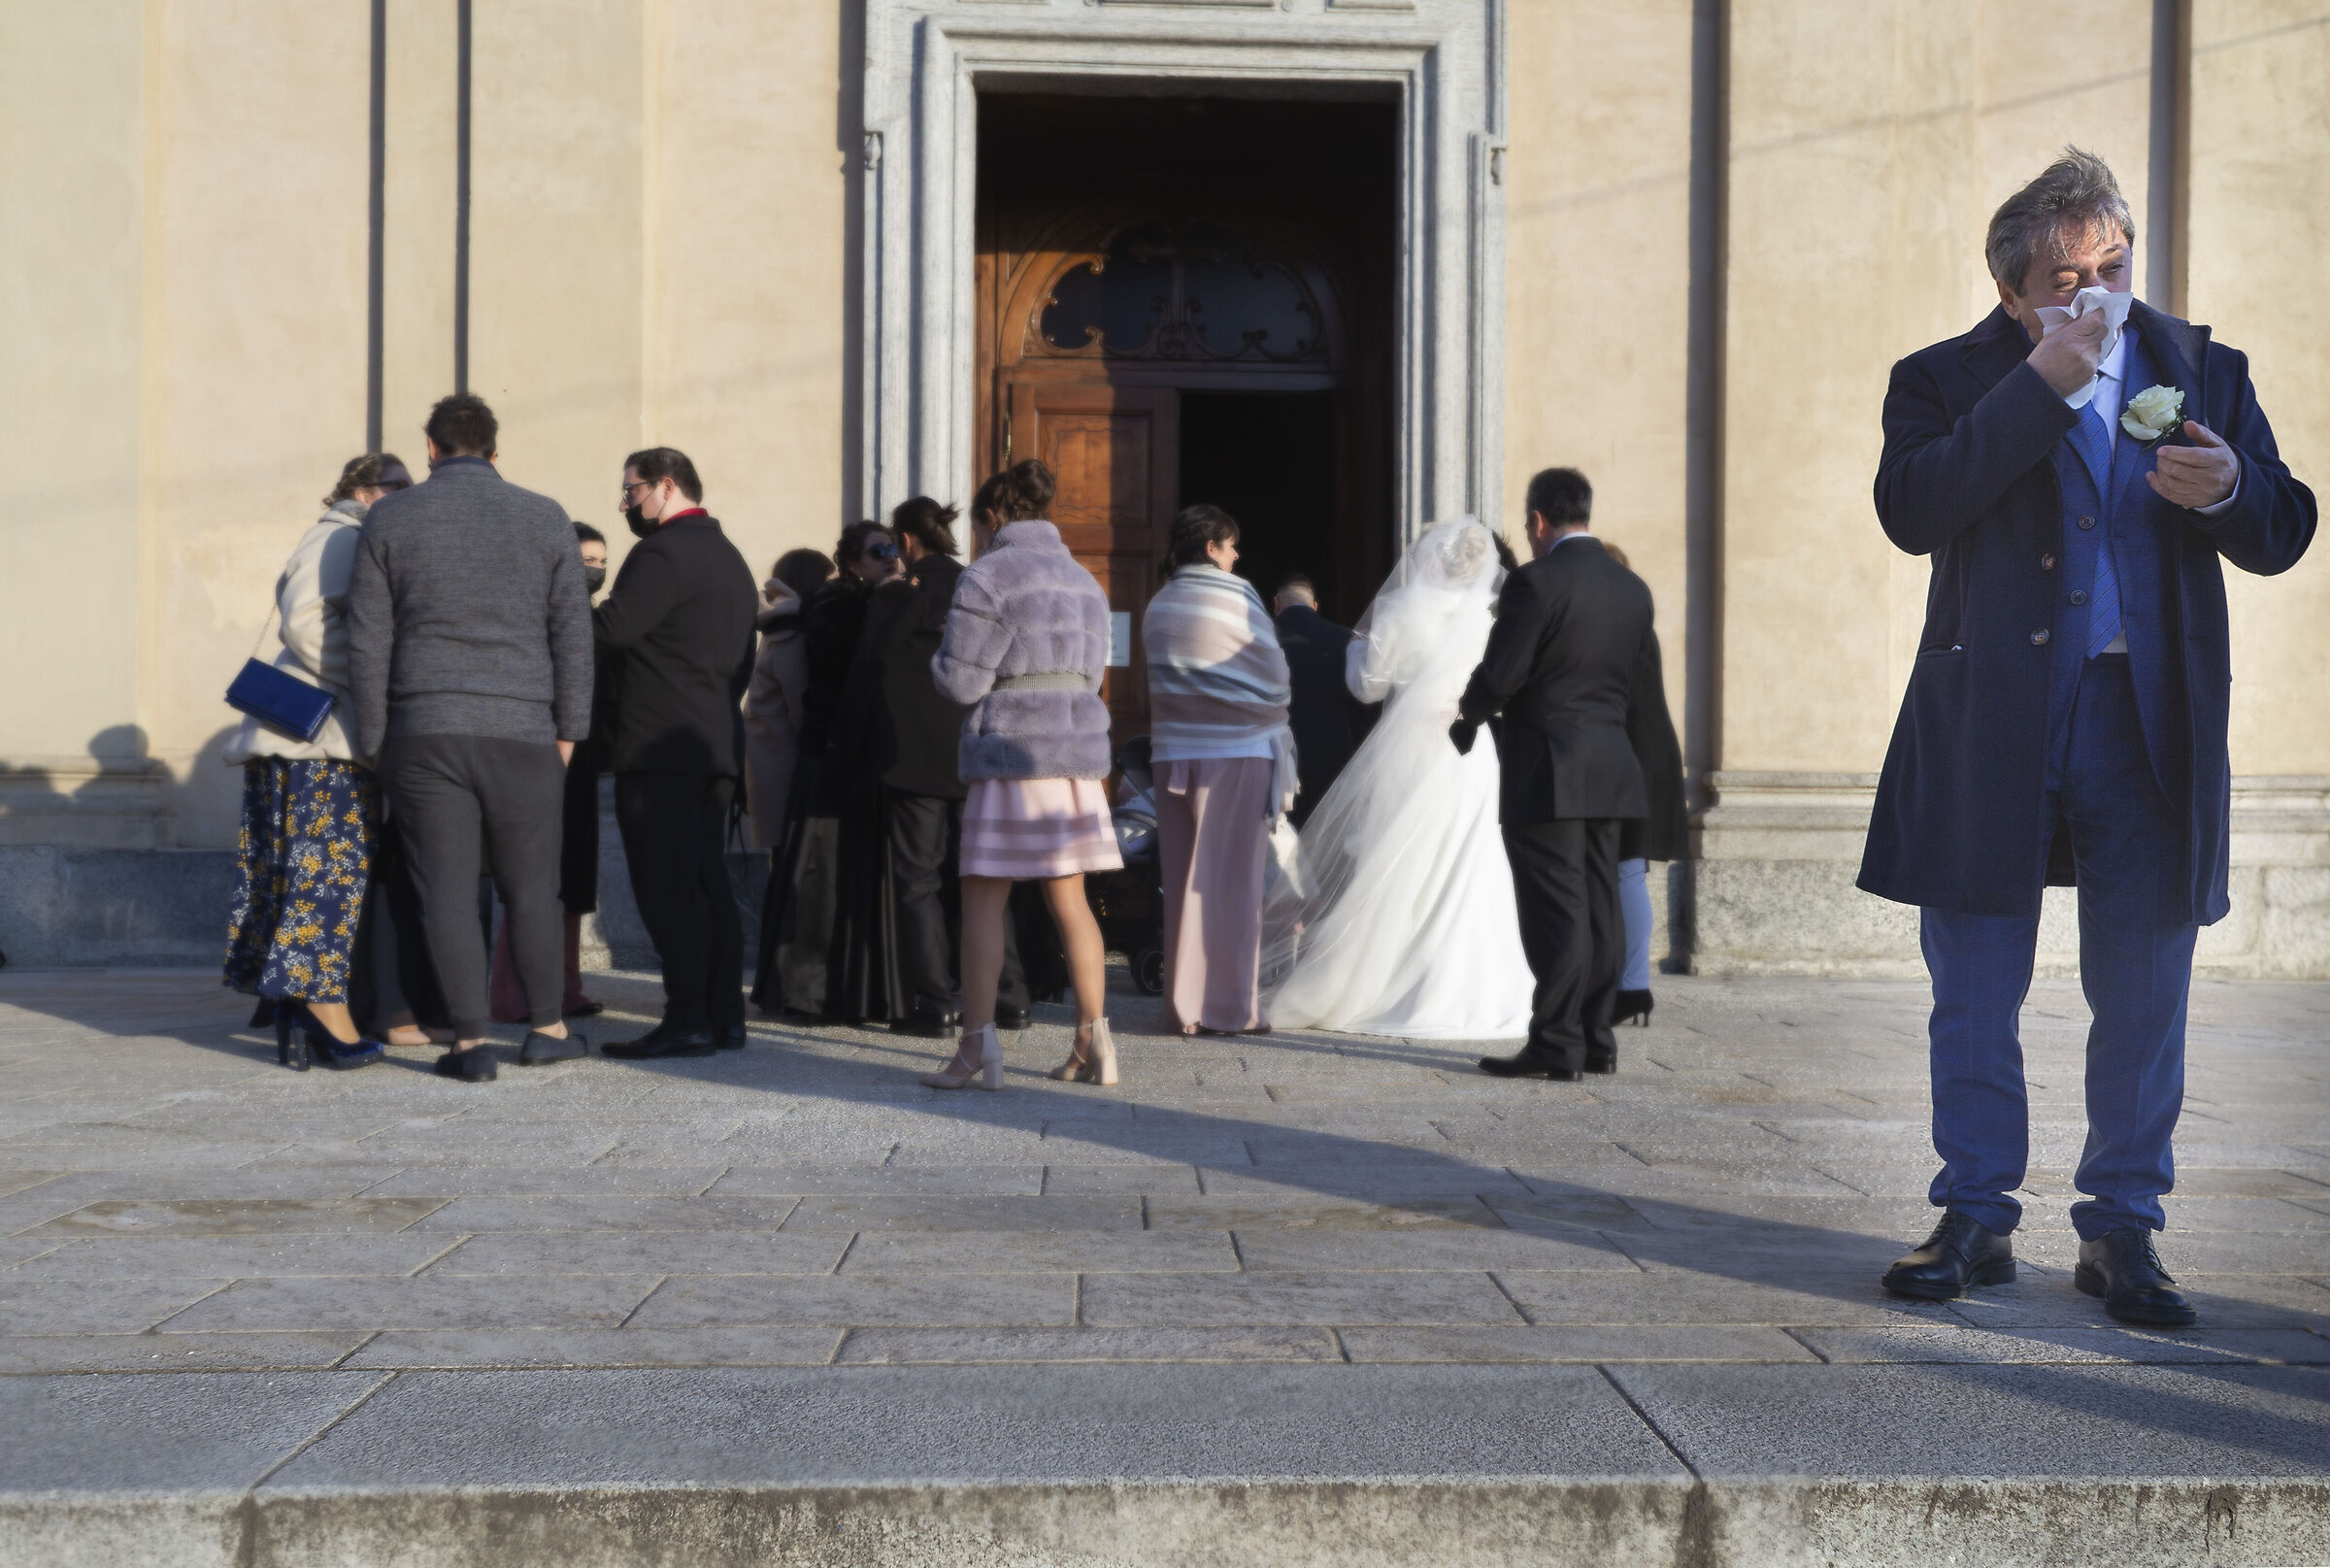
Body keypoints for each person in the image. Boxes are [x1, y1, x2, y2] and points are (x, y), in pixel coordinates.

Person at [1862, 150, 2315, 1322]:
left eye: (2113, 267)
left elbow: (2284, 525)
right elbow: (1912, 509)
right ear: (2015, 293)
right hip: (1990, 720)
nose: (2100, 297)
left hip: (2146, 717)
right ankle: (1974, 1214)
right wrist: (2042, 385)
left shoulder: (2199, 365)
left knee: (2143, 983)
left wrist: (2228, 489)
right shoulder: (1945, 377)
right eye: (2069, 279)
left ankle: (2123, 1229)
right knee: (1973, 979)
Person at [346, 395, 592, 1081]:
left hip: (423, 730)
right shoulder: (545, 516)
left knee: (445, 892)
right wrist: (568, 732)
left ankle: (469, 1043)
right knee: (533, 889)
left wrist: (374, 741)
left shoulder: (390, 517)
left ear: (429, 447)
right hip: (525, 729)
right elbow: (573, 638)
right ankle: (547, 1027)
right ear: (494, 448)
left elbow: (368, 642)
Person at [1264, 518, 1533, 1039]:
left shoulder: (1406, 610)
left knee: (1398, 861)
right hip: (1470, 750)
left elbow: (1366, 686)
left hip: (1412, 747)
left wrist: (1357, 648)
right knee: (1467, 861)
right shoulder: (1487, 615)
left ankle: (1389, 981)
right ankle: (1477, 986)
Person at [924, 459, 1120, 1089]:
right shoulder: (1085, 581)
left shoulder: (986, 576)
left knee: (984, 898)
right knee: (1071, 900)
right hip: (1072, 758)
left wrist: (937, 658)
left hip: (1012, 753)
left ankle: (977, 1049)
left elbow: (961, 681)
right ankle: (1096, 1041)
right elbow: (1093, 678)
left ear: (992, 517)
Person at [1455, 467, 1652, 1081]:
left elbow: (1503, 672)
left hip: (1547, 766)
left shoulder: (1535, 583)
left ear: (1539, 522)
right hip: (1612, 765)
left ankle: (1556, 1041)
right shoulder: (1632, 588)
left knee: (1555, 909)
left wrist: (1470, 713)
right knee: (1600, 906)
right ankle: (1596, 1038)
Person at [222, 453, 414, 1070]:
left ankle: (299, 1003)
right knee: (328, 879)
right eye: (396, 487)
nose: (406, 497)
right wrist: (368, 681)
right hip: (318, 744)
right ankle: (321, 1005)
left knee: (307, 877)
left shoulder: (354, 534)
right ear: (362, 489)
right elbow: (304, 625)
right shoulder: (343, 535)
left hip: (308, 744)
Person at [844, 493, 1037, 1038]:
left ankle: (935, 1002)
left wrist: (845, 749)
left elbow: (866, 673)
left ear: (905, 541)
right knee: (987, 875)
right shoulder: (982, 586)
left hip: (911, 761)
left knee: (917, 882)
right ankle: (1010, 997)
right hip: (977, 752)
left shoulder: (900, 594)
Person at [592, 447, 759, 1059]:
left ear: (666, 486)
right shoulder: (730, 557)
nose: (624, 504)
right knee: (706, 882)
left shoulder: (662, 552)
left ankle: (687, 1017)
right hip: (713, 742)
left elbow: (611, 631)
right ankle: (722, 1017)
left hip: (660, 748)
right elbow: (745, 661)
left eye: (631, 491)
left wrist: (559, 616)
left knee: (669, 890)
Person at [1144, 505, 1297, 1036]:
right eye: (1231, 546)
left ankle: (1184, 1006)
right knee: (1234, 884)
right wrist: (1274, 705)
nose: (1237, 556)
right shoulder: (1236, 593)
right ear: (1211, 547)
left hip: (1172, 753)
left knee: (1184, 881)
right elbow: (1274, 672)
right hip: (1237, 752)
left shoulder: (1159, 601)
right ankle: (1232, 1008)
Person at [751, 520, 900, 1018]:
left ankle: (850, 989)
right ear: (852, 562)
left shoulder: (875, 603)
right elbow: (810, 695)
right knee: (818, 880)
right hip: (827, 759)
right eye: (879, 550)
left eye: (895, 548)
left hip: (850, 760)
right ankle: (810, 991)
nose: (891, 557)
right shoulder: (835, 609)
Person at [488, 520, 616, 1023]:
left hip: (582, 765)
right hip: (544, 756)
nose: (596, 571)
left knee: (572, 880)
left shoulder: (595, 621)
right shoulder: (539, 617)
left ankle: (567, 987)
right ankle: (511, 993)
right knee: (534, 877)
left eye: (602, 563)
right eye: (587, 561)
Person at [1596, 541, 1687, 1027]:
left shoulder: (1615, 627)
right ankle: (1626, 984)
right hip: (1641, 758)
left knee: (1626, 873)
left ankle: (1631, 986)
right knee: (1624, 874)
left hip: (1631, 760)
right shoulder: (1631, 623)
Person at [743, 548, 829, 851]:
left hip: (768, 757)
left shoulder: (776, 623)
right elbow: (800, 707)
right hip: (784, 764)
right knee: (792, 866)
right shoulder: (790, 633)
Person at [1272, 574, 1372, 828]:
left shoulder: (1259, 641)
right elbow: (1361, 705)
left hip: (1274, 761)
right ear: (1315, 606)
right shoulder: (1345, 639)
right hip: (1332, 758)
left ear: (1276, 603)